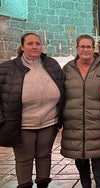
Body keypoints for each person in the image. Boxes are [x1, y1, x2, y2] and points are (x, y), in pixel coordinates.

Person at [0, 33, 64, 188]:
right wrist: (2, 120)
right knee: (24, 159)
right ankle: (24, 185)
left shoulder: (51, 64)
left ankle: (43, 185)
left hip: (49, 121)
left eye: (38, 43)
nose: (35, 47)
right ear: (22, 47)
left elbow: (63, 87)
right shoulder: (7, 68)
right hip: (21, 123)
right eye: (30, 44)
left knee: (44, 156)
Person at [60, 34, 100, 188]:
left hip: (97, 122)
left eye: (89, 46)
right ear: (77, 48)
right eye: (82, 46)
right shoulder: (67, 68)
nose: (86, 49)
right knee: (81, 164)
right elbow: (60, 94)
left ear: (93, 48)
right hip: (74, 123)